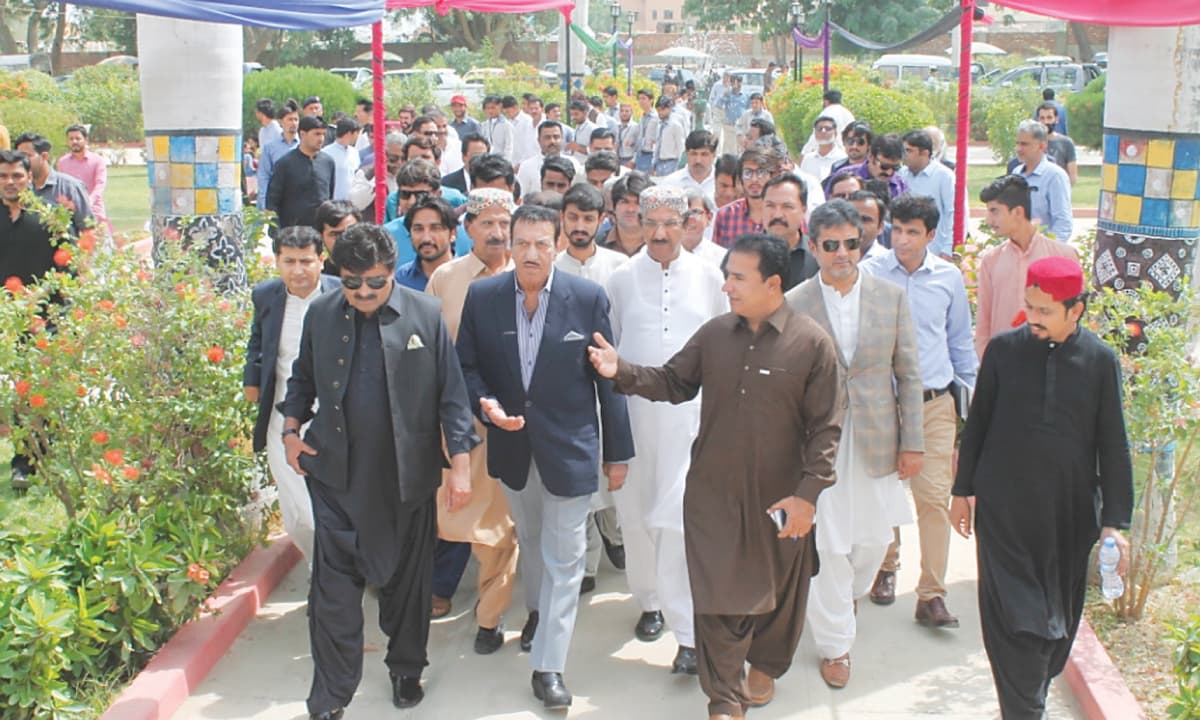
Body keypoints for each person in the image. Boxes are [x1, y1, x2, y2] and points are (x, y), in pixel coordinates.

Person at [588, 232, 844, 720]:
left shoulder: (811, 343)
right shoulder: (714, 335)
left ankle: (766, 663)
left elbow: (826, 428)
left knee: (779, 596)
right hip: (713, 495)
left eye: (737, 278)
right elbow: (672, 382)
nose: (726, 286)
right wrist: (620, 369)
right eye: (726, 276)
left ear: (772, 283)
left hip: (781, 500)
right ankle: (725, 699)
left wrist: (808, 496)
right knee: (717, 597)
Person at [281, 222, 478, 719]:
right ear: (337, 275)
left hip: (405, 479)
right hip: (335, 477)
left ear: (392, 272)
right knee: (332, 595)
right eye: (351, 282)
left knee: (407, 588)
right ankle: (330, 697)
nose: (363, 292)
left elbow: (452, 398)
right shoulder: (322, 313)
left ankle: (406, 668)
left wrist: (460, 468)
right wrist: (289, 430)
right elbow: (302, 378)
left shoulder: (425, 315)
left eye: (375, 282)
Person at [456, 204, 634, 710]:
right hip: (511, 446)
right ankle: (536, 612)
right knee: (531, 543)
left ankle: (549, 666)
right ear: (508, 245)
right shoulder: (484, 296)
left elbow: (609, 378)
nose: (531, 253)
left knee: (565, 557)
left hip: (571, 448)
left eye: (541, 243)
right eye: (522, 243)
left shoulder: (586, 297)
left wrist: (617, 452)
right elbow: (466, 365)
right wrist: (484, 403)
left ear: (557, 244)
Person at [951, 255, 1132, 719]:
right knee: (1017, 625)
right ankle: (1025, 710)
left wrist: (1115, 523)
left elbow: (1114, 445)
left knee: (1056, 630)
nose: (1032, 318)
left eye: (1045, 311)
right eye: (1029, 307)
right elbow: (979, 424)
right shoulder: (1005, 351)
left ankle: (1029, 696)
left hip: (1068, 518)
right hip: (1004, 510)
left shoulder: (1099, 361)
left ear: (1076, 310)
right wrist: (961, 491)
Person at [785, 200, 923, 690]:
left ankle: (847, 600)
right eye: (831, 245)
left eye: (851, 243)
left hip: (875, 439)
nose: (843, 253)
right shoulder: (795, 301)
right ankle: (835, 644)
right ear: (813, 244)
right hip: (816, 443)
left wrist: (914, 443)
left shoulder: (890, 297)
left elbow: (908, 374)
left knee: (872, 542)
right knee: (827, 544)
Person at [604, 185, 728, 675]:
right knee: (634, 518)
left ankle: (688, 634)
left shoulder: (709, 277)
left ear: (687, 223)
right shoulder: (620, 279)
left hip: (690, 423)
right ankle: (649, 601)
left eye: (669, 223)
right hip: (634, 419)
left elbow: (724, 347)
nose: (658, 233)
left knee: (677, 523)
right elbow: (609, 355)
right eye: (649, 221)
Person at [860, 194, 978, 623]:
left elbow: (960, 343)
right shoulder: (868, 274)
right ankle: (885, 567)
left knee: (932, 498)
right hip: (881, 405)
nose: (902, 239)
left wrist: (973, 405)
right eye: (897, 230)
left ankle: (931, 594)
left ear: (931, 235)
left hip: (933, 403)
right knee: (883, 493)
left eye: (913, 232)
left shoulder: (947, 279)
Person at [423, 187, 521, 650]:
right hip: (460, 422)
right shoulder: (446, 279)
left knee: (502, 528)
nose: (498, 232)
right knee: (457, 516)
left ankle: (489, 617)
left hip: (516, 421)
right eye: (488, 223)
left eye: (505, 223)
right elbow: (426, 353)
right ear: (467, 229)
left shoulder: (531, 274)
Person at [243, 226, 341, 562]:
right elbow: (257, 345)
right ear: (277, 262)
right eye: (289, 261)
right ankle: (322, 567)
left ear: (321, 261)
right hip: (281, 415)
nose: (297, 270)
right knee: (296, 509)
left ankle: (336, 576)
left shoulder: (342, 295)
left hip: (334, 415)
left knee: (328, 504)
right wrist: (251, 382)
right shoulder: (267, 296)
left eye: (305, 261)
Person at [553, 184, 629, 591]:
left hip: (614, 387)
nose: (580, 226)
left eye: (588, 218)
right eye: (573, 218)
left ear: (603, 220)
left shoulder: (621, 267)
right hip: (568, 392)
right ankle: (586, 566)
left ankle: (616, 536)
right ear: (562, 220)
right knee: (579, 483)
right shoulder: (549, 268)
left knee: (615, 475)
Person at [1, 149, 68, 490]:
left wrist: (37, 297)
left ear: (30, 178)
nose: (10, 182)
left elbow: (67, 271)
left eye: (17, 175)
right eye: (3, 176)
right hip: (4, 323)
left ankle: (33, 461)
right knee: (15, 396)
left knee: (40, 393)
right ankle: (26, 458)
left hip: (43, 321)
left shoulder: (48, 218)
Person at [974, 175, 1078, 358]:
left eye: (995, 211)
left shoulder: (1063, 256)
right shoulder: (991, 261)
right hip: (1004, 362)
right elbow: (983, 324)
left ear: (1018, 212)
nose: (989, 221)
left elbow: (1074, 318)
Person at [381, 159, 471, 264]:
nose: (411, 202)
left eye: (420, 194)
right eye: (405, 194)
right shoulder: (386, 236)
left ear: (438, 194)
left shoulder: (464, 235)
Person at [13, 132, 93, 236]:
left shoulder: (70, 187)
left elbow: (88, 229)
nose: (22, 162)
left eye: (27, 156)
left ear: (44, 156)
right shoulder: (18, 188)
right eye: (19, 158)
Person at [267, 116, 337, 230]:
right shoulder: (285, 163)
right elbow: (273, 200)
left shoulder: (328, 162)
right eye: (317, 134)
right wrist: (276, 229)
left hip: (320, 231)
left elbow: (330, 195)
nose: (321, 139)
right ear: (303, 134)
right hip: (293, 232)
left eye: (323, 134)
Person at [1010, 120, 1073, 241]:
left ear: (1042, 146)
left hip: (1043, 252)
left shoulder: (1055, 176)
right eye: (1017, 143)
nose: (1018, 148)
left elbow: (1063, 223)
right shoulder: (1016, 172)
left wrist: (1047, 251)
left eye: (1024, 144)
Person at [899, 129, 955, 259]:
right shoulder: (901, 175)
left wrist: (948, 248)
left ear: (925, 153)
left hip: (935, 250)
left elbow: (953, 213)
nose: (904, 155)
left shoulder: (944, 176)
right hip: (906, 250)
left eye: (909, 151)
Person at [761, 173, 819, 291]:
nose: (777, 215)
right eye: (770, 205)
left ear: (803, 210)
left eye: (787, 206)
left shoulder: (818, 256)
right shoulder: (744, 255)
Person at [712, 146, 777, 248]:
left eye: (761, 172)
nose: (754, 179)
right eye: (748, 173)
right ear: (740, 178)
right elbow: (717, 258)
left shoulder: (786, 213)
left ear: (772, 176)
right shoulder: (726, 215)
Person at [393, 196, 458, 291]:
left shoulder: (471, 278)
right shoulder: (401, 280)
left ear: (452, 233)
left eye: (435, 228)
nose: (426, 238)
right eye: (418, 229)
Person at [57, 124, 109, 232]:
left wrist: (89, 201)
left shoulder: (97, 161)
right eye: (71, 139)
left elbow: (100, 184)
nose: (74, 141)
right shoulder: (63, 162)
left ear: (85, 140)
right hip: (70, 213)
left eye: (78, 138)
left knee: (99, 245)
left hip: (94, 211)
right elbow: (60, 186)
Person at [515, 121, 584, 198]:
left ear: (562, 139)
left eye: (556, 137)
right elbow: (521, 197)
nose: (552, 141)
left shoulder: (574, 163)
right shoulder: (527, 166)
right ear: (539, 140)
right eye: (547, 137)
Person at [656, 130, 718, 204]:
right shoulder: (670, 184)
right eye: (693, 154)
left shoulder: (723, 184)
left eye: (704, 154)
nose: (698, 160)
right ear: (686, 154)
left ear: (714, 154)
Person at [600, 171, 651, 257]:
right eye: (624, 202)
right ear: (614, 206)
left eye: (638, 203)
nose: (630, 209)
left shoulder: (661, 244)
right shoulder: (597, 242)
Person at [313, 200, 360, 276]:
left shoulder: (377, 271)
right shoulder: (316, 278)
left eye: (351, 231)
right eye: (336, 234)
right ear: (321, 237)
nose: (344, 238)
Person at [681, 189, 727, 267]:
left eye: (695, 212)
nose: (689, 218)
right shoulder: (661, 254)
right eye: (682, 213)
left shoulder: (723, 257)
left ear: (709, 218)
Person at [320, 118, 361, 202]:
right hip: (333, 202)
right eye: (357, 133)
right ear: (349, 133)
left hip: (352, 203)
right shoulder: (325, 153)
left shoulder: (355, 152)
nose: (358, 137)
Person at [1037, 102, 1078, 186]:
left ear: (1056, 119)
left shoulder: (1066, 142)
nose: (1046, 122)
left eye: (1049, 117)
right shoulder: (1032, 142)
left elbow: (1072, 176)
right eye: (1042, 118)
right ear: (1038, 120)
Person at [800, 116, 847, 182]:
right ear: (814, 133)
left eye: (828, 128)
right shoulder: (808, 159)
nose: (823, 131)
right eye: (819, 129)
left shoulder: (843, 158)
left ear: (835, 133)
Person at [847, 188, 890, 257]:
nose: (858, 225)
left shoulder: (889, 263)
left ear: (880, 227)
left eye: (865, 220)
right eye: (852, 218)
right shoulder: (827, 259)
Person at [480, 95, 515, 162]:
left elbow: (509, 147)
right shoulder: (484, 125)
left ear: (500, 106)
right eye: (488, 108)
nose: (490, 110)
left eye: (493, 108)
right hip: (487, 161)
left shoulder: (506, 125)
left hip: (501, 161)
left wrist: (506, 163)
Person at [633, 89, 660, 173]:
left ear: (651, 100)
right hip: (640, 152)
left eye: (644, 98)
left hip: (651, 153)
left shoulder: (656, 117)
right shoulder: (642, 117)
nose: (641, 101)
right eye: (639, 98)